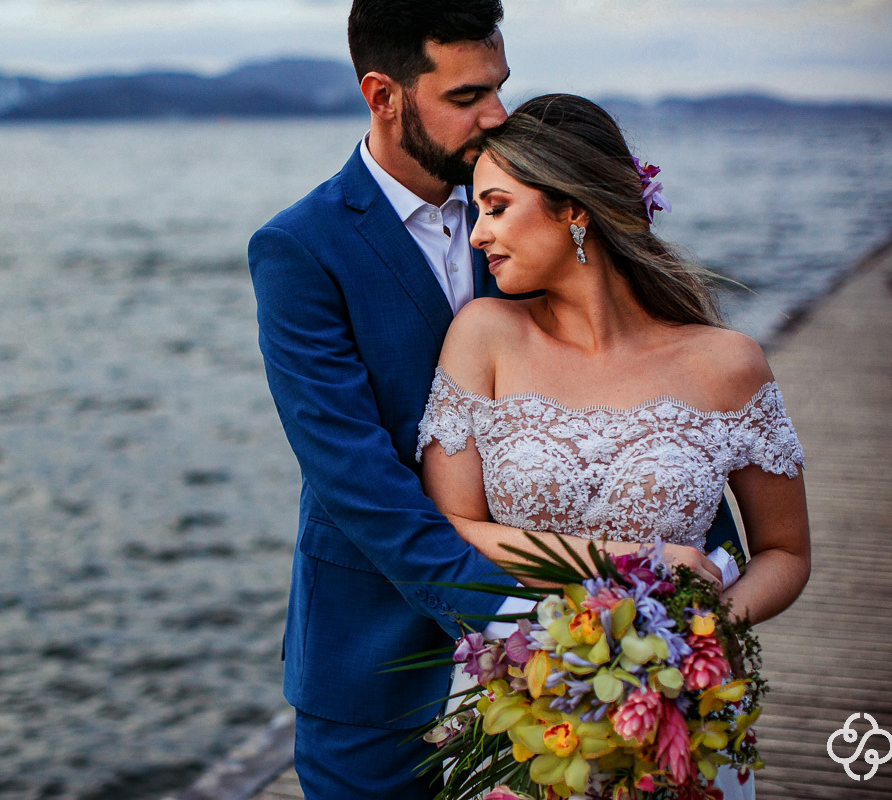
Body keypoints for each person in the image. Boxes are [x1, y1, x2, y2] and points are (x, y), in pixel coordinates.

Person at [248, 2, 739, 796]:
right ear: (384, 96)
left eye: (499, 87)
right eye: (467, 96)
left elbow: (633, 382)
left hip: (590, 648)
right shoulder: (300, 249)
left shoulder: (530, 209)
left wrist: (699, 564)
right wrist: (512, 620)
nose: (497, 115)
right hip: (375, 658)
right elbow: (353, 475)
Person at [417, 94, 812, 799]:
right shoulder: (485, 336)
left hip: (675, 715)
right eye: (477, 210)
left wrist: (703, 632)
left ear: (574, 209)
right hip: (521, 704)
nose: (476, 235)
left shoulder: (727, 364)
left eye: (498, 207)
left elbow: (786, 552)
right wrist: (636, 566)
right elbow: (454, 526)